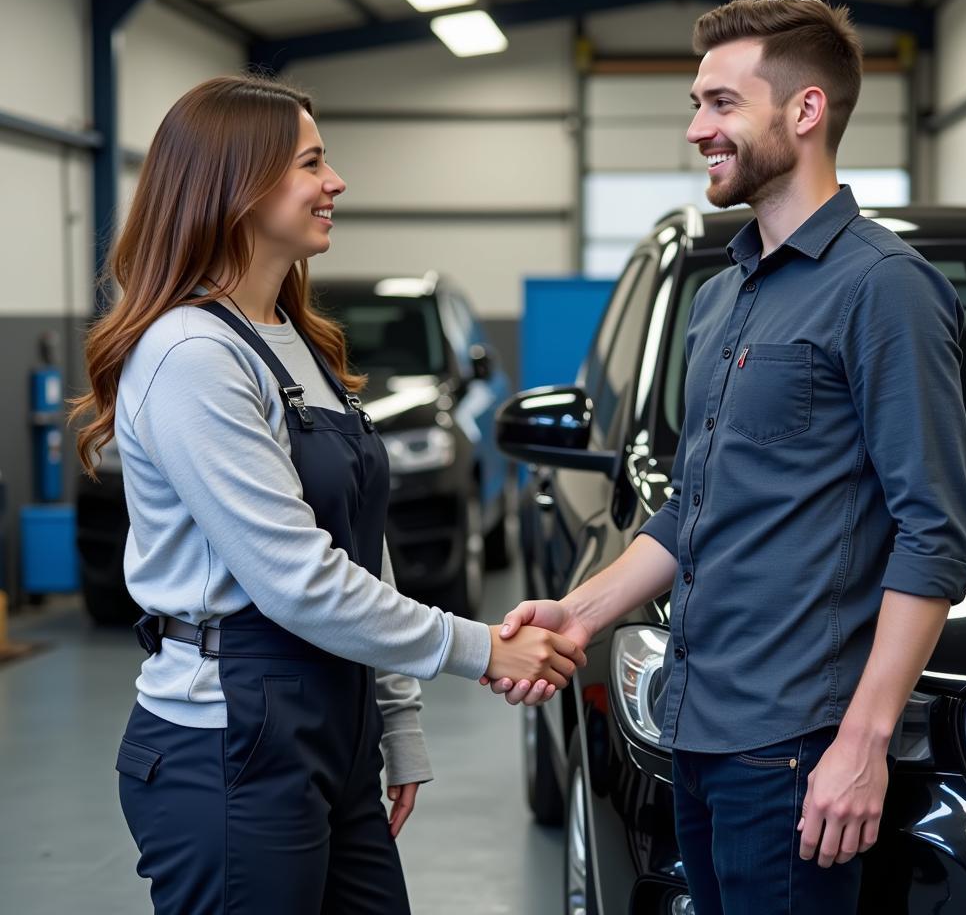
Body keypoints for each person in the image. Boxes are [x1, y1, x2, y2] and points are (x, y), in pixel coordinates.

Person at [488, 0, 966, 913]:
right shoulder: (723, 297)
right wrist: (582, 611)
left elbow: (934, 532)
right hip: (697, 729)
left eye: (719, 103)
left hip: (794, 749)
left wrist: (862, 742)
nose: (695, 129)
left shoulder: (885, 290)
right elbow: (694, 507)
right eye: (696, 103)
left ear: (805, 111)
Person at [71, 74, 583, 915]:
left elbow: (357, 543)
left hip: (331, 730)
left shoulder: (294, 340)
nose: (335, 182)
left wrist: (397, 724)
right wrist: (484, 648)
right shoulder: (194, 357)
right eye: (313, 162)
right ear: (239, 185)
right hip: (229, 745)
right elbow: (297, 580)